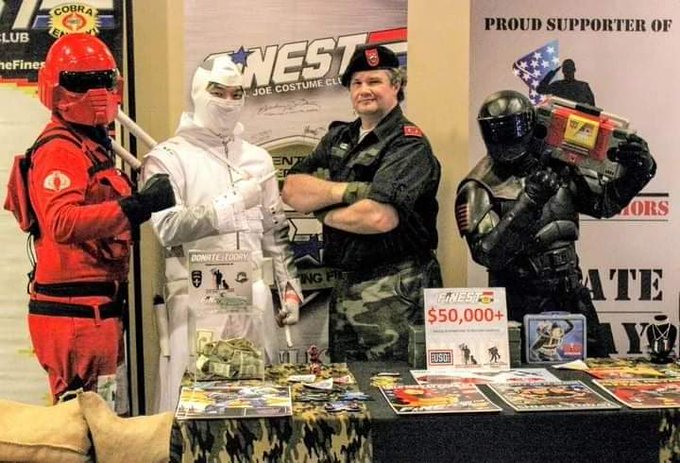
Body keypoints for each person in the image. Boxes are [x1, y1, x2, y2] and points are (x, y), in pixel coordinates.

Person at [15, 33, 174, 403]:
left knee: (100, 419)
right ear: (56, 88)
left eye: (103, 80)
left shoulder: (89, 143)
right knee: (82, 423)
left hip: (93, 314)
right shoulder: (60, 149)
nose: (97, 92)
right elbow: (63, 222)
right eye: (82, 82)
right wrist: (139, 205)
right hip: (76, 318)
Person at [141, 55, 303, 412]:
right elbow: (168, 228)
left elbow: (275, 232)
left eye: (236, 93)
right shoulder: (167, 157)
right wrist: (232, 203)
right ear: (199, 92)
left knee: (259, 408)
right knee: (194, 412)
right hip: (196, 304)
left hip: (254, 302)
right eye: (218, 92)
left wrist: (289, 289)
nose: (228, 102)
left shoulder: (258, 159)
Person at [455, 90, 656, 357]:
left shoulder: (560, 163)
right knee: (527, 381)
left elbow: (604, 204)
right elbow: (487, 254)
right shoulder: (478, 187)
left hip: (572, 295)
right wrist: (529, 202)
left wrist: (640, 169)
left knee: (599, 373)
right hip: (520, 303)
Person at [282, 44, 442, 362]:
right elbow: (291, 189)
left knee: (394, 383)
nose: (364, 90)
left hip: (394, 290)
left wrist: (322, 210)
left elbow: (378, 218)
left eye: (374, 81)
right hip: (344, 285)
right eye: (357, 83)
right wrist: (350, 193)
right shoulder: (339, 137)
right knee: (347, 384)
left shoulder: (408, 144)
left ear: (396, 85)